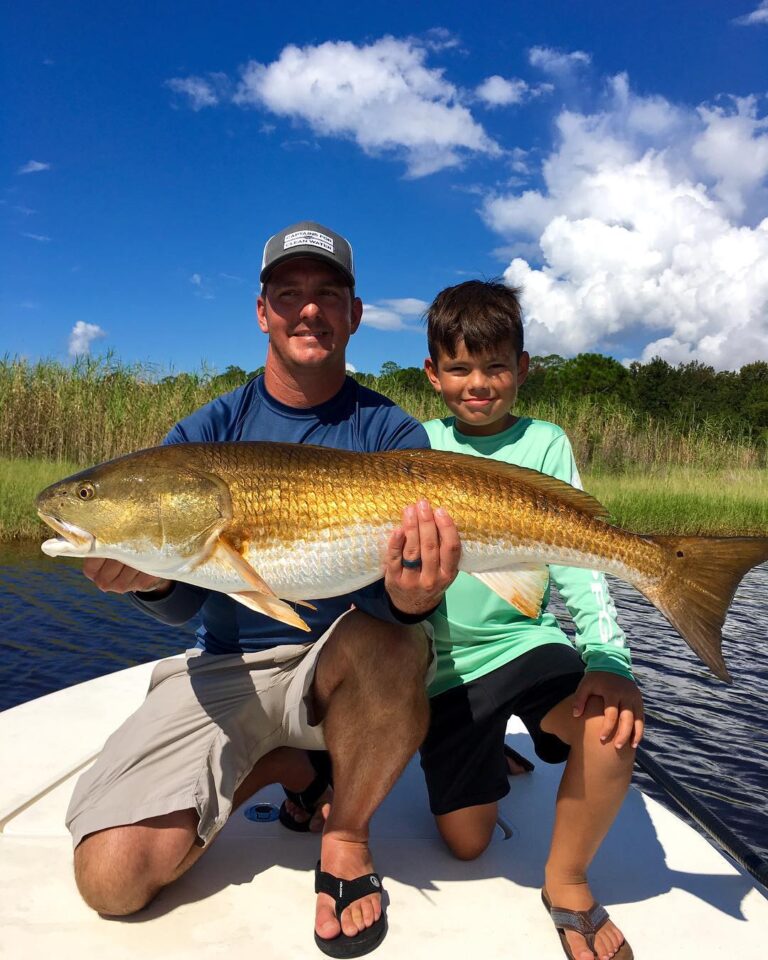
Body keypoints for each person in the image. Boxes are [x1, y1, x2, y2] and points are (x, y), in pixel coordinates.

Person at [68, 220, 461, 958]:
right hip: (225, 667)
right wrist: (153, 582)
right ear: (261, 312)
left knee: (393, 638)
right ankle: (288, 765)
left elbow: (398, 604)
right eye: (288, 295)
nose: (306, 310)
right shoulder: (204, 435)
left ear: (354, 312)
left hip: (340, 670)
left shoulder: (393, 435)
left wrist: (416, 597)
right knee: (111, 881)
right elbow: (188, 601)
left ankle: (345, 834)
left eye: (326, 294)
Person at [420, 279, 642, 960]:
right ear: (433, 375)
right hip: (444, 668)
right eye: (458, 368)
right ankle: (493, 744)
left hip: (527, 643)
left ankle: (567, 882)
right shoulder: (415, 444)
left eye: (494, 366)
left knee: (610, 725)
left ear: (522, 368)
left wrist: (609, 657)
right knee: (467, 845)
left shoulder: (546, 443)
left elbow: (577, 557)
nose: (477, 384)